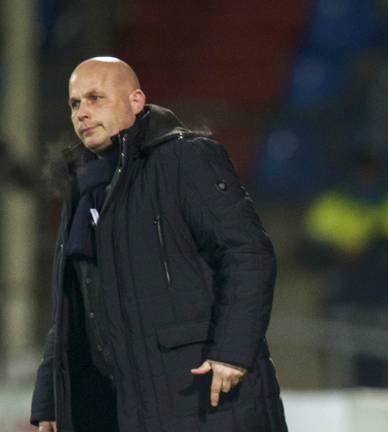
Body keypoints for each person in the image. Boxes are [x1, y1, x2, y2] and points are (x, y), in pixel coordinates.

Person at [29, 57, 287, 432]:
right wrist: (51, 396)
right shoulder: (84, 188)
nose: (82, 112)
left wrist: (233, 353)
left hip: (200, 398)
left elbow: (248, 254)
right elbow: (76, 301)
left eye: (95, 98)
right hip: (119, 406)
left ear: (135, 101)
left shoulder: (186, 158)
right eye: (75, 103)